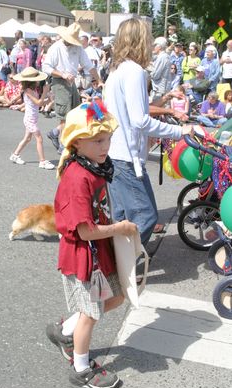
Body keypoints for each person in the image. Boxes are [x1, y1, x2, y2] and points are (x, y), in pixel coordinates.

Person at [46, 100, 137, 388]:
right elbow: (85, 232)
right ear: (77, 142)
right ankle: (81, 367)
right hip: (84, 254)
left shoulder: (93, 165)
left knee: (117, 297)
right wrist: (120, 228)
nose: (105, 145)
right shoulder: (77, 176)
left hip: (99, 251)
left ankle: (65, 331)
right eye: (98, 140)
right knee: (92, 313)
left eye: (108, 138)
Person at [104, 18, 193, 247]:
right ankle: (124, 266)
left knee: (122, 216)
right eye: (149, 38)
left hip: (113, 153)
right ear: (140, 40)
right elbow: (140, 121)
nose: (151, 44)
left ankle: (115, 266)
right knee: (146, 216)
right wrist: (179, 130)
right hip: (126, 156)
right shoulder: (134, 71)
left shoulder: (116, 71)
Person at [42, 22, 101, 151]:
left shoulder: (78, 48)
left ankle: (55, 133)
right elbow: (46, 67)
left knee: (74, 114)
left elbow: (89, 66)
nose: (71, 42)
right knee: (65, 115)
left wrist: (99, 80)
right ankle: (63, 146)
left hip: (72, 82)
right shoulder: (56, 47)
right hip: (59, 82)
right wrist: (62, 74)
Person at [9, 67, 55, 170]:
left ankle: (15, 155)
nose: (39, 81)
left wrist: (49, 100)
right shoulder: (28, 90)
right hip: (29, 119)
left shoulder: (33, 90)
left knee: (27, 138)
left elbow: (39, 103)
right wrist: (44, 92)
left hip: (32, 118)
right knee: (39, 138)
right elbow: (38, 102)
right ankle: (42, 161)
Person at [150, 36, 171, 101]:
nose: (153, 47)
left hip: (160, 93)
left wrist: (148, 68)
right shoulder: (163, 56)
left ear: (159, 47)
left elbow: (155, 75)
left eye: (155, 45)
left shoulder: (162, 57)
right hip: (160, 91)